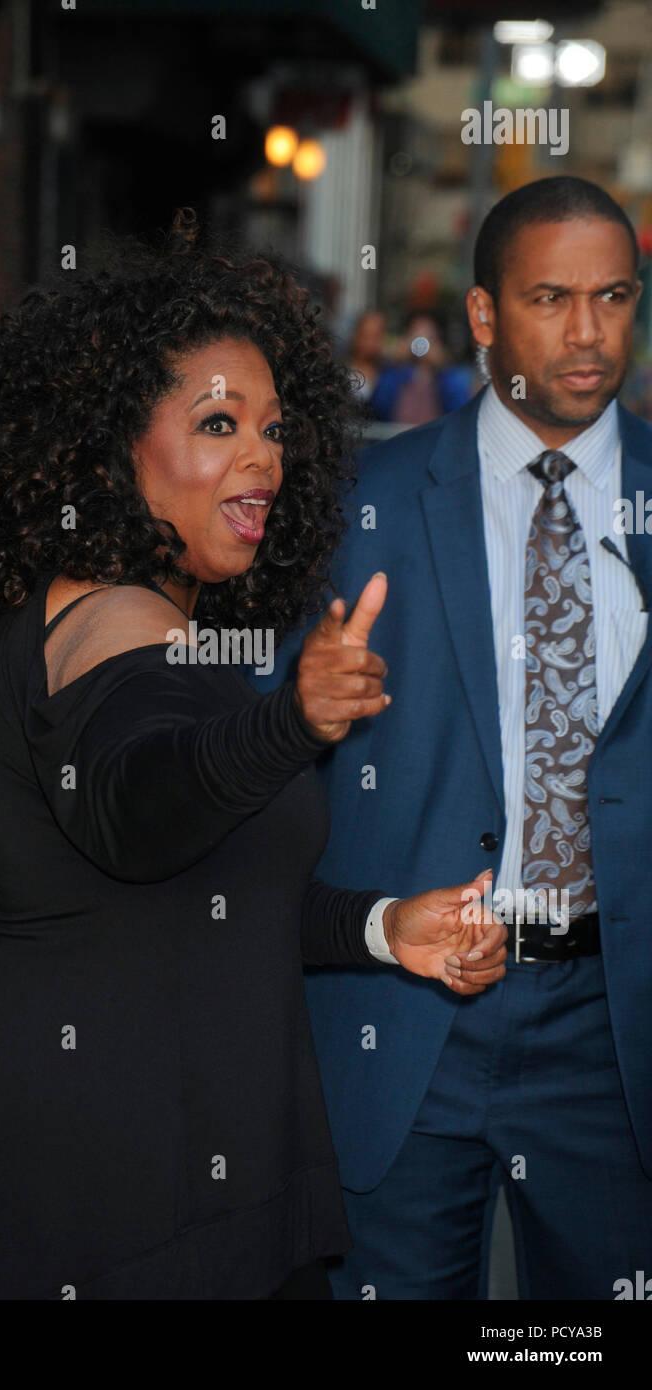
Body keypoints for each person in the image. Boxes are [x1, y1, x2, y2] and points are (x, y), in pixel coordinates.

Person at [0, 212, 506, 1301]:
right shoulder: (115, 619)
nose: (263, 455)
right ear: (113, 444)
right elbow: (137, 805)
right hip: (67, 1179)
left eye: (273, 427)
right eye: (218, 422)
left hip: (133, 1146)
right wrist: (292, 725)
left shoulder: (152, 618)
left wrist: (382, 927)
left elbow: (211, 884)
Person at [255, 176, 652, 1299]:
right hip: (401, 1025)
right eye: (551, 298)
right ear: (484, 318)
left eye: (614, 297)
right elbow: (244, 759)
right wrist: (299, 697)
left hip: (616, 1037)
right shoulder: (351, 499)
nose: (587, 333)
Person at [369, 310, 473, 425]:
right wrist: (395, 363)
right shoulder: (395, 373)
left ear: (437, 341)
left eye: (428, 338)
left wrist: (444, 367)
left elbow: (458, 407)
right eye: (415, 338)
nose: (421, 346)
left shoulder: (447, 376)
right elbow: (379, 405)